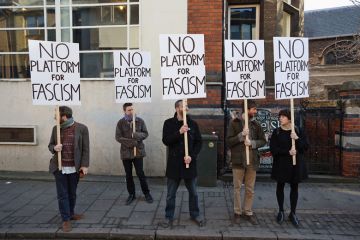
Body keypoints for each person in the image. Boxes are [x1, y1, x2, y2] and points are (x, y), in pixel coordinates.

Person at [161, 100, 203, 228]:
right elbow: (166, 140)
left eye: (187, 106)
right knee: (170, 194)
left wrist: (192, 156)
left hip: (189, 163)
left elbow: (199, 142)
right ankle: (169, 216)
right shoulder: (168, 123)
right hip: (174, 164)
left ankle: (195, 214)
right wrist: (179, 132)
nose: (186, 108)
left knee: (194, 193)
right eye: (184, 106)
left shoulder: (193, 124)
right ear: (177, 108)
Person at [48, 106, 90, 232]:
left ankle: (70, 213)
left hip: (74, 168)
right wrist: (55, 148)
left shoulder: (82, 128)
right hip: (59, 167)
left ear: (64, 116)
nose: (54, 117)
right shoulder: (56, 128)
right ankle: (65, 219)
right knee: (62, 194)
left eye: (56, 114)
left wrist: (84, 165)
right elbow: (50, 145)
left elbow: (86, 149)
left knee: (72, 193)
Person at [226, 100, 266, 225]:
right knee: (237, 188)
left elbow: (263, 141)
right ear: (247, 109)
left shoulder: (256, 124)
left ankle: (248, 212)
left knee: (250, 188)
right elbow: (229, 141)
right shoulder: (234, 123)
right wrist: (240, 136)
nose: (255, 111)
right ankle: (237, 212)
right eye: (253, 109)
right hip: (238, 160)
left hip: (252, 161)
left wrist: (253, 143)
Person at [270, 109, 308, 227]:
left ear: (289, 118)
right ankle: (281, 210)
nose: (280, 118)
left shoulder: (298, 130)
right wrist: (287, 152)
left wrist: (296, 138)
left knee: (294, 187)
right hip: (281, 164)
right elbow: (273, 149)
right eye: (280, 116)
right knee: (280, 186)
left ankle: (293, 212)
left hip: (295, 165)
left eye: (283, 116)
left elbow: (305, 147)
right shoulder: (277, 132)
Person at [115, 103, 153, 205]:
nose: (131, 111)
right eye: (129, 110)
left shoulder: (139, 121)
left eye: (132, 109)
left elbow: (145, 133)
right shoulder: (120, 123)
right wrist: (131, 142)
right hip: (126, 153)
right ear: (124, 111)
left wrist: (137, 135)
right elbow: (118, 137)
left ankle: (147, 193)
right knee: (128, 175)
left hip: (138, 152)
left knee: (140, 173)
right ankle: (131, 194)